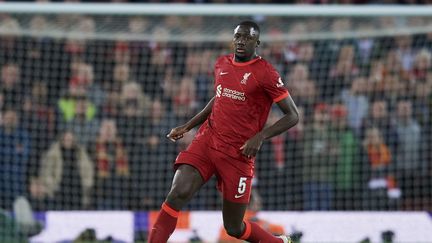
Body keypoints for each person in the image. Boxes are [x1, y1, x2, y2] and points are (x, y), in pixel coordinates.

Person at [148, 21, 299, 243]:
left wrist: (260, 137)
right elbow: (220, 98)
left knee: (234, 228)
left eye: (247, 37)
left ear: (257, 42)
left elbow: (293, 115)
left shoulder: (265, 72)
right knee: (177, 193)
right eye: (238, 36)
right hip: (207, 141)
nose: (241, 41)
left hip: (238, 154)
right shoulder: (222, 64)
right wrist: (188, 126)